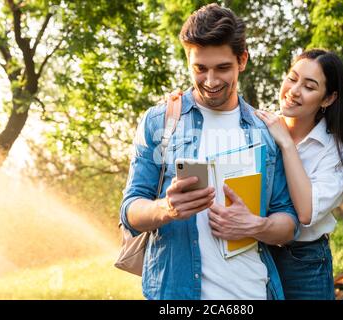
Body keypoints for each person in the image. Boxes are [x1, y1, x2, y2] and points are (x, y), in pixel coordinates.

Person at [120, 3, 299, 300]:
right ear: (188, 60)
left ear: (242, 60)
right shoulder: (159, 121)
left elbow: (289, 223)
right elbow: (129, 211)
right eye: (200, 69)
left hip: (252, 293)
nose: (211, 81)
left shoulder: (266, 130)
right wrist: (166, 208)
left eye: (223, 68)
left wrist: (258, 225)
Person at [254, 49, 343, 299]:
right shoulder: (259, 126)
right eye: (292, 78)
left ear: (327, 99)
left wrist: (287, 144)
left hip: (304, 261)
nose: (293, 90)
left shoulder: (336, 152)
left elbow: (305, 212)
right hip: (253, 251)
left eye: (309, 87)